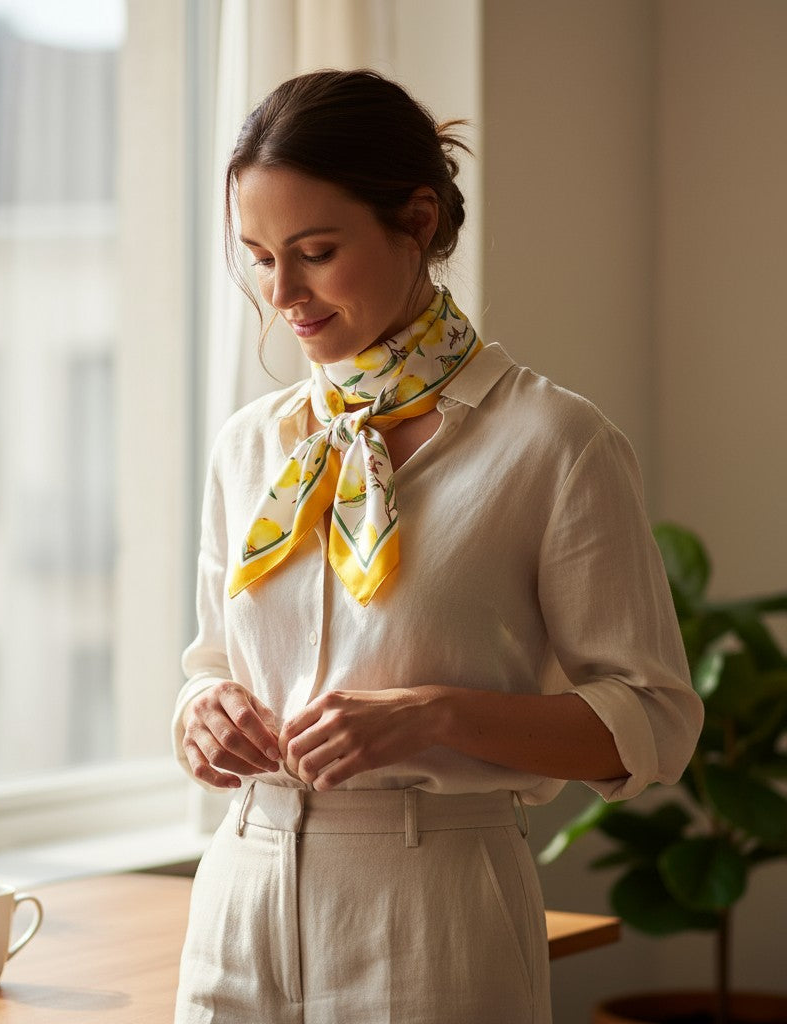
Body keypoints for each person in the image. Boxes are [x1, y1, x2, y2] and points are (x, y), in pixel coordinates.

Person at [172, 69, 703, 1024]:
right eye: (259, 257)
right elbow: (213, 660)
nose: (282, 293)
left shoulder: (554, 443)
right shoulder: (251, 445)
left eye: (316, 252)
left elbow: (654, 719)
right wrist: (201, 712)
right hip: (236, 906)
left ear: (417, 220)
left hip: (434, 912)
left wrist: (434, 715)